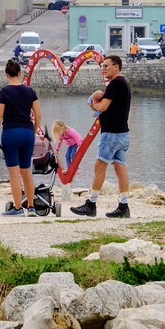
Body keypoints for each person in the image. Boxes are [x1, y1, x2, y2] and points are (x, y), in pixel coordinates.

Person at [71, 55, 132, 218]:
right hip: (123, 133)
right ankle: (124, 206)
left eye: (106, 66)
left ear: (116, 67)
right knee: (120, 168)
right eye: (102, 66)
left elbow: (103, 107)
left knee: (99, 167)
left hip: (111, 134)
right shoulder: (123, 84)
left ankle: (91, 204)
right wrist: (97, 103)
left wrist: (93, 104)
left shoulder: (115, 83)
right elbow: (107, 106)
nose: (103, 69)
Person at [0, 59, 42, 216]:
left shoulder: (4, 92)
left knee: (14, 173)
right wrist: (35, 129)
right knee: (26, 172)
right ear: (20, 73)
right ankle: (31, 207)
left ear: (6, 75)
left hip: (11, 133)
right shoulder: (30, 91)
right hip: (27, 133)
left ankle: (18, 208)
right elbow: (38, 113)